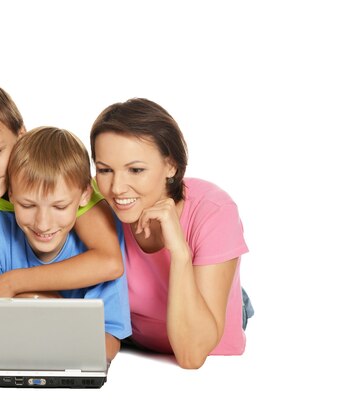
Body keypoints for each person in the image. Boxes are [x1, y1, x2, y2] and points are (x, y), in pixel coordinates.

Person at [90, 98, 252, 369]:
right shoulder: (98, 203)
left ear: (171, 166)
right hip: (137, 334)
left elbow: (191, 356)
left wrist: (179, 252)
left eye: (136, 169)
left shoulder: (214, 210)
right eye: (105, 170)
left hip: (202, 326)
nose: (117, 188)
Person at [0, 83, 124, 298]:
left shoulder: (57, 181)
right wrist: (16, 298)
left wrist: (14, 283)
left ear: (21, 136)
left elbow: (109, 262)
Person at [0, 126, 131, 363]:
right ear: (11, 195)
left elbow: (109, 341)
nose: (43, 223)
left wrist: (39, 301)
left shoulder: (102, 238)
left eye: (59, 207)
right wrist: (36, 297)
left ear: (84, 196)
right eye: (28, 206)